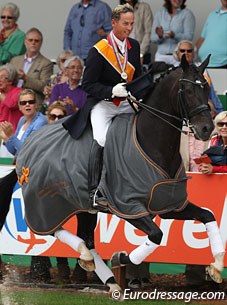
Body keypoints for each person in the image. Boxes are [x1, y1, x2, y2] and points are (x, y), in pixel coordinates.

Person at [63, 3, 142, 208]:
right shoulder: (98, 50)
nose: (129, 28)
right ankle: (96, 190)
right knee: (101, 138)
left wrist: (140, 96)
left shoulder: (134, 46)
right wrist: (110, 91)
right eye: (125, 23)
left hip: (126, 102)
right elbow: (88, 84)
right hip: (104, 104)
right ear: (113, 23)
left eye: (132, 23)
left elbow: (138, 78)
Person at [0, 88, 51, 282]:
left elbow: (30, 152)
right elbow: (16, 151)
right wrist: (7, 139)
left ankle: (41, 268)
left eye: (30, 101)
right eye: (23, 103)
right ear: (19, 106)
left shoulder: (41, 121)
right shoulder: (22, 121)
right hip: (22, 171)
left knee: (35, 217)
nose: (27, 105)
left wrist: (11, 137)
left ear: (36, 104)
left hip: (36, 173)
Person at [10, 27, 53, 110]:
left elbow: (44, 86)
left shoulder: (46, 63)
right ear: (25, 42)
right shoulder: (14, 60)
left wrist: (26, 78)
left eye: (36, 41)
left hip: (32, 104)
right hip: (13, 102)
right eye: (30, 40)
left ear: (41, 43)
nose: (33, 43)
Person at [151, 0, 195, 65]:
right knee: (159, 75)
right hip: (161, 56)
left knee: (178, 74)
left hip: (178, 57)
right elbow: (152, 38)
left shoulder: (188, 14)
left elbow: (189, 37)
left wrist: (174, 35)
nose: (177, 0)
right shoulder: (160, 13)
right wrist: (159, 36)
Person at [119, 0, 153, 66]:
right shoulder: (119, 10)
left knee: (141, 74)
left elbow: (148, 32)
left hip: (142, 52)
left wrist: (141, 53)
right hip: (124, 53)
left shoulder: (144, 7)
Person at [196, 0, 227, 69]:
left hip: (223, 64)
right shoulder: (212, 14)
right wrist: (191, 51)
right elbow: (202, 38)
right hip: (204, 63)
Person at [0, 63, 22, 131]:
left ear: (10, 81)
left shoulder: (18, 92)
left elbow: (11, 104)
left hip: (11, 131)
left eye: (1, 77)